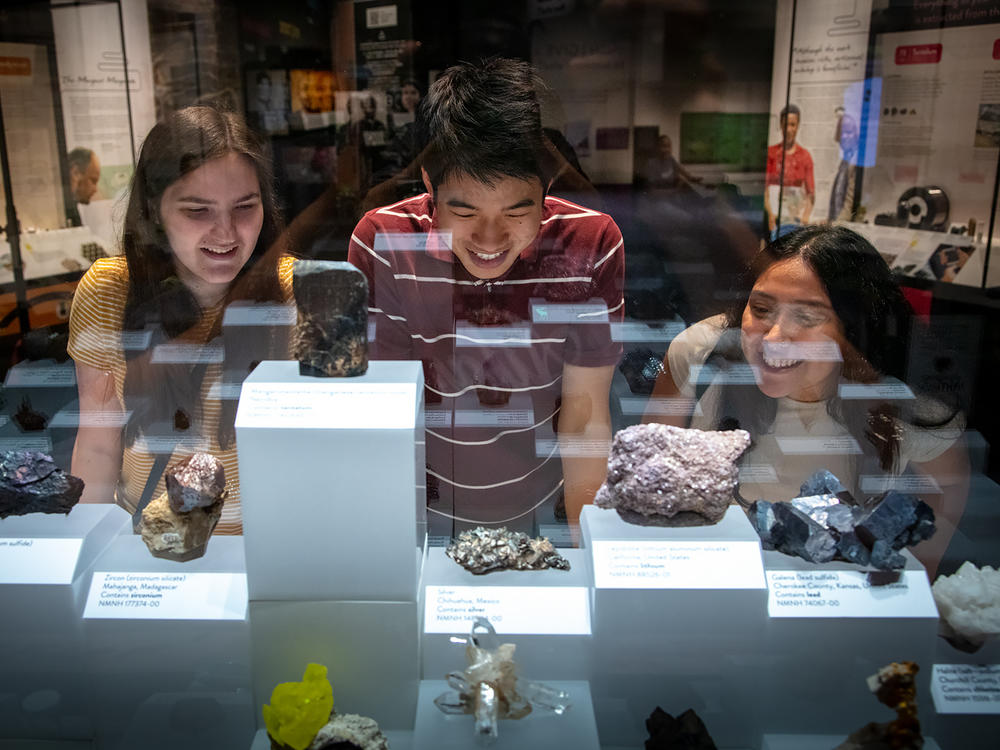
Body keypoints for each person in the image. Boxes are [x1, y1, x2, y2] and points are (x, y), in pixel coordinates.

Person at [347, 58, 625, 536]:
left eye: (518, 211)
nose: (491, 238)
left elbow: (585, 416)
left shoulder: (590, 242)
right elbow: (383, 417)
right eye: (465, 210)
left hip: (543, 510)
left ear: (548, 188)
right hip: (417, 512)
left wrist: (585, 552)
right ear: (430, 188)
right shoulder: (386, 240)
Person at [647, 225, 967, 575]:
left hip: (839, 606)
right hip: (712, 584)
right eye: (762, 308)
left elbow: (944, 501)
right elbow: (648, 485)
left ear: (854, 328)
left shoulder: (912, 408)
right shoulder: (699, 352)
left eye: (807, 316)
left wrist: (913, 588)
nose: (774, 336)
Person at [68, 106, 293, 534]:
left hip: (265, 549)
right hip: (149, 548)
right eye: (198, 211)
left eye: (245, 207)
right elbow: (97, 443)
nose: (226, 233)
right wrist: (86, 550)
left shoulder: (296, 293)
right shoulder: (107, 291)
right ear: (154, 209)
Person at [764, 104, 815, 239]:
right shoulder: (771, 153)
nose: (789, 129)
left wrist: (805, 217)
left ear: (797, 126)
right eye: (786, 125)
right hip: (773, 218)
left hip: (794, 219)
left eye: (793, 125)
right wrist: (770, 214)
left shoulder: (805, 156)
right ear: (781, 125)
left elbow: (811, 192)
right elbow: (765, 189)